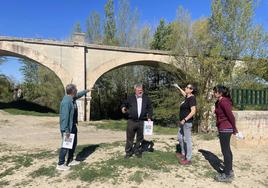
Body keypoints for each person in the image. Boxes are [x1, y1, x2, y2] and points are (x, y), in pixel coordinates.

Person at [56, 84, 91, 171]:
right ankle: (60, 163)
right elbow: (64, 118)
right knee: (66, 145)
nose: (77, 91)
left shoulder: (72, 98)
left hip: (73, 126)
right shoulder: (66, 102)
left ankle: (70, 160)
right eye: (76, 89)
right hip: (68, 128)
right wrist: (66, 130)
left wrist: (87, 90)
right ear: (72, 91)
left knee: (73, 144)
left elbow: (79, 95)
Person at [213, 85, 238, 182]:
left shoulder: (224, 101)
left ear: (220, 93)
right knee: (227, 150)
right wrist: (215, 109)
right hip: (223, 128)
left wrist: (235, 129)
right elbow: (221, 113)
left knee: (225, 151)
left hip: (225, 128)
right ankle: (229, 170)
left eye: (215, 91)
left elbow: (231, 116)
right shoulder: (220, 101)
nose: (214, 93)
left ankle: (227, 175)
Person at [121, 84, 153, 159]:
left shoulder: (146, 98)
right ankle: (128, 152)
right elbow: (123, 104)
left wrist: (149, 117)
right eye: (138, 90)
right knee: (129, 138)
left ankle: (137, 151)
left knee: (140, 138)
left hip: (141, 121)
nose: (140, 91)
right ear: (135, 90)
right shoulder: (130, 98)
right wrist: (123, 108)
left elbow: (150, 108)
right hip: (131, 121)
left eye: (141, 90)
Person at [174, 83, 197, 165]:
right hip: (182, 122)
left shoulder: (192, 99)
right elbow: (183, 93)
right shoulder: (187, 97)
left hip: (187, 122)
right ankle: (183, 153)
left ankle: (188, 158)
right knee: (180, 137)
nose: (186, 88)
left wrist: (185, 119)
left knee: (187, 140)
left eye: (188, 87)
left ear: (191, 90)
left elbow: (193, 111)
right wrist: (178, 87)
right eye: (186, 87)